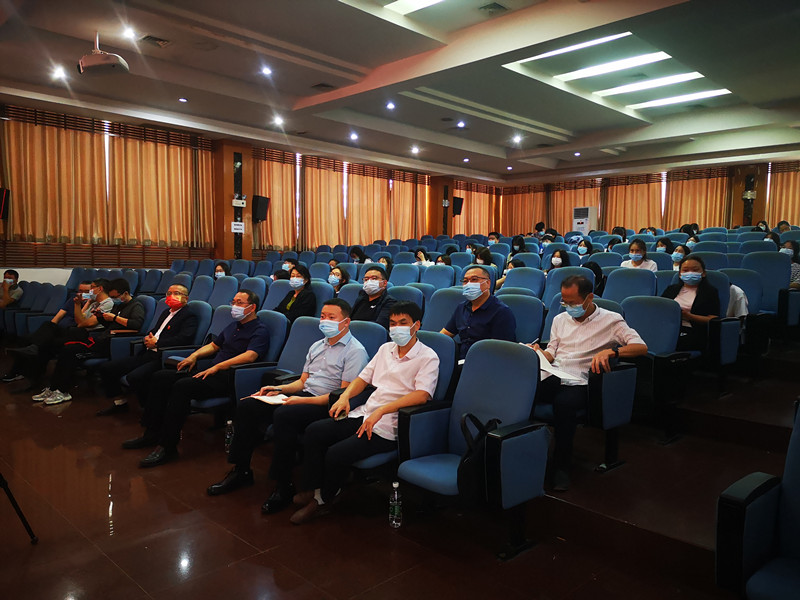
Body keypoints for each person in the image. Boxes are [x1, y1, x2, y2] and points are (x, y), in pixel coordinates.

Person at [206, 299, 369, 514]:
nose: (325, 321)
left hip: (326, 404)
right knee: (249, 406)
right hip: (304, 395)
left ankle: (283, 484)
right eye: (322, 316)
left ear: (346, 322)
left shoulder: (355, 351)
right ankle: (241, 470)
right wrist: (278, 389)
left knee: (285, 415)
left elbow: (342, 396)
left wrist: (300, 400)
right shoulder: (317, 345)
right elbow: (302, 382)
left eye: (332, 317)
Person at [290, 301, 439, 524]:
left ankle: (324, 500)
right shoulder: (385, 349)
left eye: (403, 323)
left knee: (336, 453)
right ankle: (314, 489)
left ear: (416, 325)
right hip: (365, 413)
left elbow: (422, 395)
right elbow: (362, 379)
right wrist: (344, 397)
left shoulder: (428, 357)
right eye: (393, 323)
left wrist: (383, 410)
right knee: (315, 431)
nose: (396, 328)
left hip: (390, 423)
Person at [123, 290, 269, 467]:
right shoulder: (233, 326)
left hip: (229, 376)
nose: (234, 306)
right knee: (161, 377)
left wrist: (218, 366)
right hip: (210, 371)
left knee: (182, 386)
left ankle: (168, 446)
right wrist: (194, 356)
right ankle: (151, 433)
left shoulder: (260, 330)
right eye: (233, 302)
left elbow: (250, 356)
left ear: (252, 307)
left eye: (240, 303)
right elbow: (214, 346)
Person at [530, 275, 647, 491]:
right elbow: (552, 352)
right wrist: (536, 353)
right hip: (555, 373)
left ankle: (561, 466)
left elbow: (641, 347)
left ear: (589, 297)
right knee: (524, 393)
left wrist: (612, 351)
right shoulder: (560, 319)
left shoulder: (611, 320)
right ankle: (524, 455)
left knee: (563, 405)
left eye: (573, 302)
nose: (568, 307)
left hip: (583, 380)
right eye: (564, 301)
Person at [96, 284, 198, 416]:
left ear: (186, 298)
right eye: (169, 293)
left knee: (135, 377)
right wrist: (148, 338)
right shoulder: (166, 312)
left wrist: (157, 343)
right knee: (107, 368)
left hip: (162, 356)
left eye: (176, 293)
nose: (171, 296)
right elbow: (155, 331)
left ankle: (149, 410)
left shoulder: (189, 315)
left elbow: (184, 339)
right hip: (148, 353)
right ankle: (120, 403)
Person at [40, 278, 146, 405]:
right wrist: (101, 317)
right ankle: (53, 388)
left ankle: (62, 391)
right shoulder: (119, 305)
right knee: (66, 348)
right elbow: (108, 325)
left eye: (115, 297)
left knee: (71, 352)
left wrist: (114, 318)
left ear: (125, 293)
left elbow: (136, 324)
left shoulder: (136, 305)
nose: (113, 299)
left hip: (112, 344)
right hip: (100, 339)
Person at [15, 279, 114, 394]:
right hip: (76, 331)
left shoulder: (107, 303)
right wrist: (79, 304)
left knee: (49, 344)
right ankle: (35, 377)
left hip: (87, 335)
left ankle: (47, 381)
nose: (89, 291)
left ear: (100, 289)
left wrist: (82, 312)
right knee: (47, 333)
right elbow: (79, 320)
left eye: (91, 288)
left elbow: (84, 323)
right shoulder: (94, 303)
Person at [1, 280, 93, 383]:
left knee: (43, 344)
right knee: (27, 339)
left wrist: (82, 303)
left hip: (72, 332)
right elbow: (58, 317)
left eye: (86, 291)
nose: (81, 294)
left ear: (92, 292)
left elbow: (80, 321)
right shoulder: (73, 300)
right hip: (59, 330)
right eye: (80, 291)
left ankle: (33, 372)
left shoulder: (92, 304)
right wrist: (51, 328)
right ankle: (17, 372)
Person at [440, 266, 516, 360]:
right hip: (460, 360)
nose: (469, 284)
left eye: (474, 280)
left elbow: (501, 351)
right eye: (465, 281)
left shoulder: (501, 312)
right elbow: (444, 335)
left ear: (488, 283)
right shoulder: (462, 307)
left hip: (485, 362)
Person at [661, 256, 719, 351]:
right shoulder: (671, 289)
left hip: (693, 331)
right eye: (685, 270)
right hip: (668, 328)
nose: (690, 273)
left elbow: (713, 319)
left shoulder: (710, 292)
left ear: (703, 273)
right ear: (680, 274)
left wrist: (689, 316)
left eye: (695, 270)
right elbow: (660, 309)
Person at [349, 265, 396, 330]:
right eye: (366, 279)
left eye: (374, 278)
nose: (369, 282)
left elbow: (379, 326)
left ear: (384, 283)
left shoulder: (389, 302)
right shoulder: (361, 298)